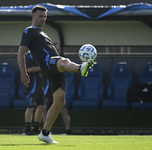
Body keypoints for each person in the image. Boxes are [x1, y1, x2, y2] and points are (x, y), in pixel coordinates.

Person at [17, 5, 94, 144]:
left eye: (45, 17)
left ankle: (45, 133)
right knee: (64, 61)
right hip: (48, 63)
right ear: (33, 16)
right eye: (40, 16)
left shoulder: (43, 33)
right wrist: (23, 73)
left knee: (60, 102)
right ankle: (80, 67)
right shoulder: (29, 31)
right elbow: (20, 52)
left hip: (54, 69)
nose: (43, 19)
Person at [43, 43, 71, 135]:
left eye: (59, 49)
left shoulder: (63, 60)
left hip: (58, 87)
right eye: (56, 49)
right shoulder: (47, 60)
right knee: (46, 110)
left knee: (64, 110)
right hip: (49, 89)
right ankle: (45, 131)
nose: (58, 51)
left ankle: (68, 131)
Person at [23, 52, 45, 135]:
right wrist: (42, 68)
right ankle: (27, 129)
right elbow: (28, 69)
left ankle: (36, 128)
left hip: (40, 86)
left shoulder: (40, 55)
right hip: (31, 86)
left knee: (41, 107)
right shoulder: (28, 56)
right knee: (30, 107)